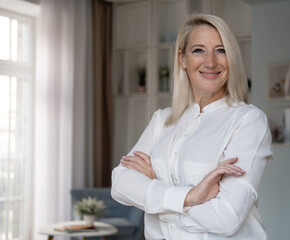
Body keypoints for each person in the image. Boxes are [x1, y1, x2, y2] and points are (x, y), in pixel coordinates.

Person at [111, 14, 273, 240]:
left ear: (232, 58)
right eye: (198, 50)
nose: (210, 62)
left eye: (221, 50)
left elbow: (226, 218)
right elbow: (120, 183)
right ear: (182, 58)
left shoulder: (248, 121)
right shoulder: (162, 120)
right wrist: (191, 196)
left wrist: (155, 195)